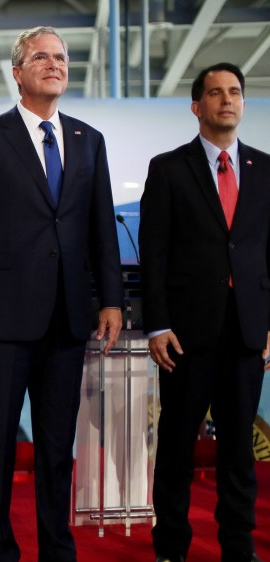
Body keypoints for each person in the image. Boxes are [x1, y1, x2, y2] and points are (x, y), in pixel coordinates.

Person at [0, 26, 123, 562]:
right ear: (18, 72)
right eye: (41, 57)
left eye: (62, 58)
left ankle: (57, 548)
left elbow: (100, 229)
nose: (55, 65)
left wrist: (112, 299)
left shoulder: (88, 140)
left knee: (55, 447)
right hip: (0, 321)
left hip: (69, 318)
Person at [140, 62, 270, 562]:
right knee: (176, 447)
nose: (226, 100)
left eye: (234, 92)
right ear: (197, 106)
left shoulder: (265, 169)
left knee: (239, 449)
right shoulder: (169, 168)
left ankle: (239, 547)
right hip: (186, 336)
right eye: (215, 93)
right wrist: (158, 323)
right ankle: (171, 547)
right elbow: (154, 254)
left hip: (246, 333)